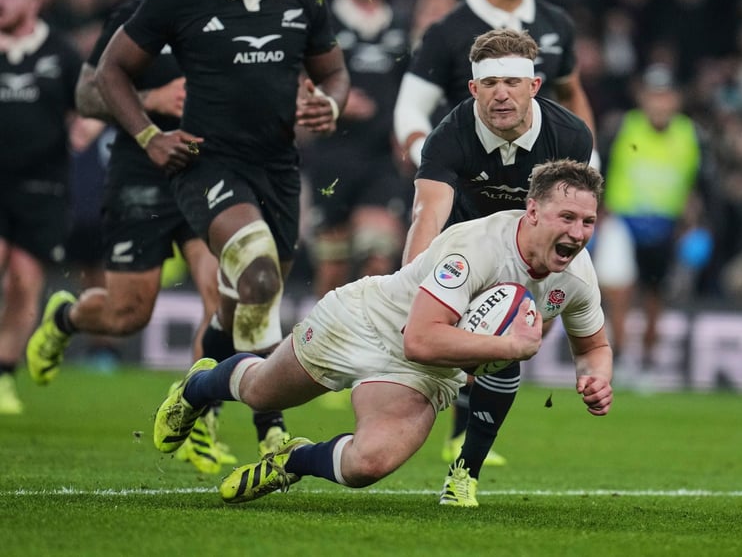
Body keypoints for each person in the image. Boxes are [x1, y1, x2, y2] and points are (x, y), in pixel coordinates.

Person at [152, 159, 612, 507]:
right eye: (566, 217)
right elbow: (421, 337)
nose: (578, 232)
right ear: (532, 211)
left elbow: (593, 345)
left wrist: (595, 378)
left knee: (367, 465)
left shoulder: (576, 277)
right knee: (259, 394)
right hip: (365, 321)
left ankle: (292, 461)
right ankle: (197, 387)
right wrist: (509, 346)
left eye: (587, 222)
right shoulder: (477, 247)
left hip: (424, 373)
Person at [92, 0, 348, 453]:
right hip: (206, 162)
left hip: (278, 167)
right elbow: (111, 72)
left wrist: (330, 103)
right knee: (256, 270)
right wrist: (149, 135)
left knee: (244, 302)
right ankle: (271, 427)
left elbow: (334, 71)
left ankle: (195, 391)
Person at [24, 0, 227, 470]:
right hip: (141, 175)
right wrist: (152, 104)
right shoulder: (137, 13)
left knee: (220, 295)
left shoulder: (230, 17)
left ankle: (199, 419)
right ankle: (66, 318)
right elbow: (88, 96)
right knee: (126, 314)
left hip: (205, 174)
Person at [403, 28, 592, 504]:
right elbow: (428, 214)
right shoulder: (449, 135)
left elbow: (572, 217)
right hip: (466, 244)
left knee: (511, 344)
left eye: (513, 81)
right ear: (473, 89)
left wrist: (549, 293)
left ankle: (466, 465)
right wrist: (413, 289)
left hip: (533, 245)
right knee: (456, 347)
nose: (501, 93)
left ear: (535, 86)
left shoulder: (570, 136)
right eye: (490, 83)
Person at [392, 0, 596, 169]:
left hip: (541, 178)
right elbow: (410, 107)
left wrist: (590, 158)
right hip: (472, 177)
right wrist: (427, 155)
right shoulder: (446, 33)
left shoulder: (556, 22)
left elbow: (571, 96)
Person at [302, 0, 412, 297]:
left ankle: (367, 346)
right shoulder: (320, 22)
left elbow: (415, 86)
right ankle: (322, 344)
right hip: (331, 154)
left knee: (378, 257)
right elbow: (291, 79)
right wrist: (331, 99)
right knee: (332, 266)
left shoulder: (401, 24)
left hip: (381, 158)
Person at [0, 0, 83, 414]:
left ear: (35, 1)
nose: (0, 1)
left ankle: (3, 375)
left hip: (43, 185)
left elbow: (87, 102)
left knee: (23, 282)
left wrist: (84, 128)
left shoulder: (61, 52)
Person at [592, 64, 701, 383]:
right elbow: (602, 168)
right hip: (622, 220)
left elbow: (700, 181)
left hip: (666, 225)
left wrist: (695, 218)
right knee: (618, 287)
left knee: (655, 297)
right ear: (643, 98)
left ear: (675, 100)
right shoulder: (624, 127)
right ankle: (623, 355)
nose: (659, 103)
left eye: (665, 96)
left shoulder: (689, 134)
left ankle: (649, 361)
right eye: (654, 96)